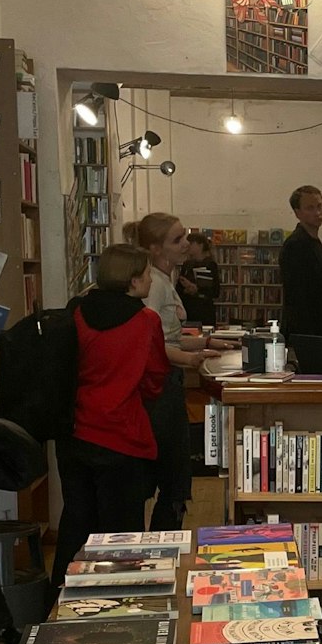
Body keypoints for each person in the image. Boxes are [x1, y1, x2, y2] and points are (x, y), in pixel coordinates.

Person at [52, 244, 171, 588]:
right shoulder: (146, 321)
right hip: (122, 436)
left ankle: (58, 605)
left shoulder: (75, 312)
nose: (151, 280)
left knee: (76, 523)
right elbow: (153, 380)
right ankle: (119, 607)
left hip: (75, 434)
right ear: (133, 281)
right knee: (122, 537)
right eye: (147, 274)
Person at [124, 214, 225, 531]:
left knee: (174, 473)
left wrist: (203, 343)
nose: (187, 244)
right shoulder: (152, 285)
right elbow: (151, 343)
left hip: (165, 382)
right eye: (177, 240)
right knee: (173, 475)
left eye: (186, 237)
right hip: (157, 388)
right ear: (155, 249)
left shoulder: (166, 279)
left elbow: (166, 335)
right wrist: (191, 359)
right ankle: (161, 542)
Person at [279, 185, 322, 337]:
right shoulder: (295, 245)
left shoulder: (314, 242)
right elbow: (297, 298)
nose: (318, 213)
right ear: (298, 213)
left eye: (319, 206)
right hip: (306, 333)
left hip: (321, 329)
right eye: (310, 208)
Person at [177, 230, 221, 327]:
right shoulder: (187, 264)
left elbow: (215, 291)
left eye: (191, 243)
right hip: (188, 309)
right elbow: (178, 290)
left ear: (200, 245)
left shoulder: (210, 264)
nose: (188, 246)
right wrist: (186, 289)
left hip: (204, 310)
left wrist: (197, 289)